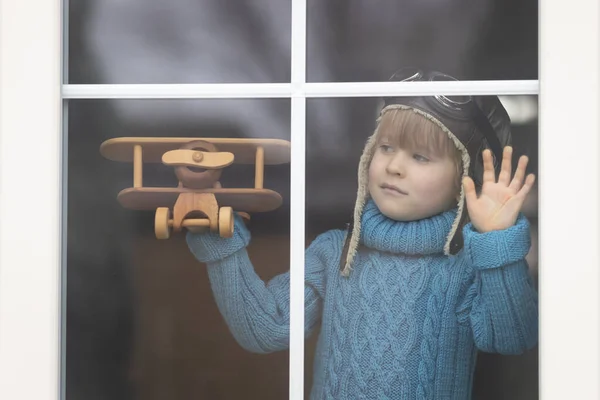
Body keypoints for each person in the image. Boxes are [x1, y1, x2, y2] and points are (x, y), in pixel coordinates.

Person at [185, 67, 539, 399]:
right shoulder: (335, 253)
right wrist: (218, 236)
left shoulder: (467, 267)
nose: (394, 166)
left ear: (466, 179)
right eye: (386, 148)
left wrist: (496, 240)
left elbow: (513, 338)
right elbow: (264, 327)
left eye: (420, 156)